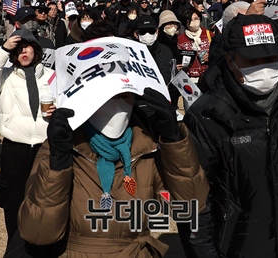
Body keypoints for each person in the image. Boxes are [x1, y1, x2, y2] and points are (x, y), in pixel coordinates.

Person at [180, 14, 278, 257]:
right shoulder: (207, 116)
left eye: (271, 57)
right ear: (229, 59)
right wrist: (203, 252)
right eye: (251, 59)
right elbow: (194, 197)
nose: (263, 66)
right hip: (239, 245)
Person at [18, 86, 207, 256]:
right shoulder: (62, 146)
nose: (116, 103)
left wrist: (174, 141)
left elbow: (189, 207)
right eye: (106, 95)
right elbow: (39, 232)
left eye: (124, 95)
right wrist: (58, 165)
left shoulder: (147, 147)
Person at [0, 28, 55, 257]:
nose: (24, 51)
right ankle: (15, 247)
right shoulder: (6, 75)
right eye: (19, 47)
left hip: (44, 146)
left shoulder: (50, 75)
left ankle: (44, 246)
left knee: (45, 199)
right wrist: (3, 49)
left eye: (28, 46)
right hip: (15, 147)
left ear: (36, 50)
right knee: (14, 201)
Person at [176, 8, 211, 82]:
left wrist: (211, 57)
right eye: (190, 20)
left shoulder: (209, 35)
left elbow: (219, 54)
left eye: (196, 18)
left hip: (208, 77)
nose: (194, 22)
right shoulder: (180, 39)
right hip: (189, 79)